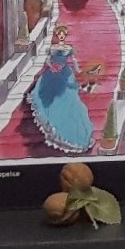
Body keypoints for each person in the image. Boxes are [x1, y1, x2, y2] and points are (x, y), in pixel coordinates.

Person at [26, 23, 99, 156]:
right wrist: (52, 67)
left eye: (63, 34)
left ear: (65, 36)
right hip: (53, 74)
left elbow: (74, 62)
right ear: (57, 35)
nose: (61, 36)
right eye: (59, 34)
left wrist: (79, 70)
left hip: (65, 74)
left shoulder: (69, 48)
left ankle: (74, 135)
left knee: (71, 101)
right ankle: (53, 123)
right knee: (50, 98)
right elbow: (48, 60)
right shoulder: (53, 48)